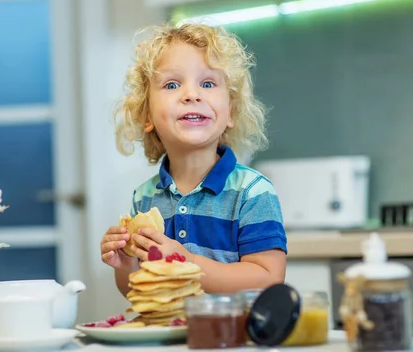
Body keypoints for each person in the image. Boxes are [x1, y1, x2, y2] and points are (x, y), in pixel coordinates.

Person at [100, 22, 287, 297]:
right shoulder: (145, 198)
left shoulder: (252, 192)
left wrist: (187, 262)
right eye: (172, 84)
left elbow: (268, 279)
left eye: (208, 83)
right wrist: (125, 265)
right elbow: (139, 290)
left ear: (230, 111)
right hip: (171, 337)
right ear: (146, 116)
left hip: (234, 338)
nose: (191, 94)